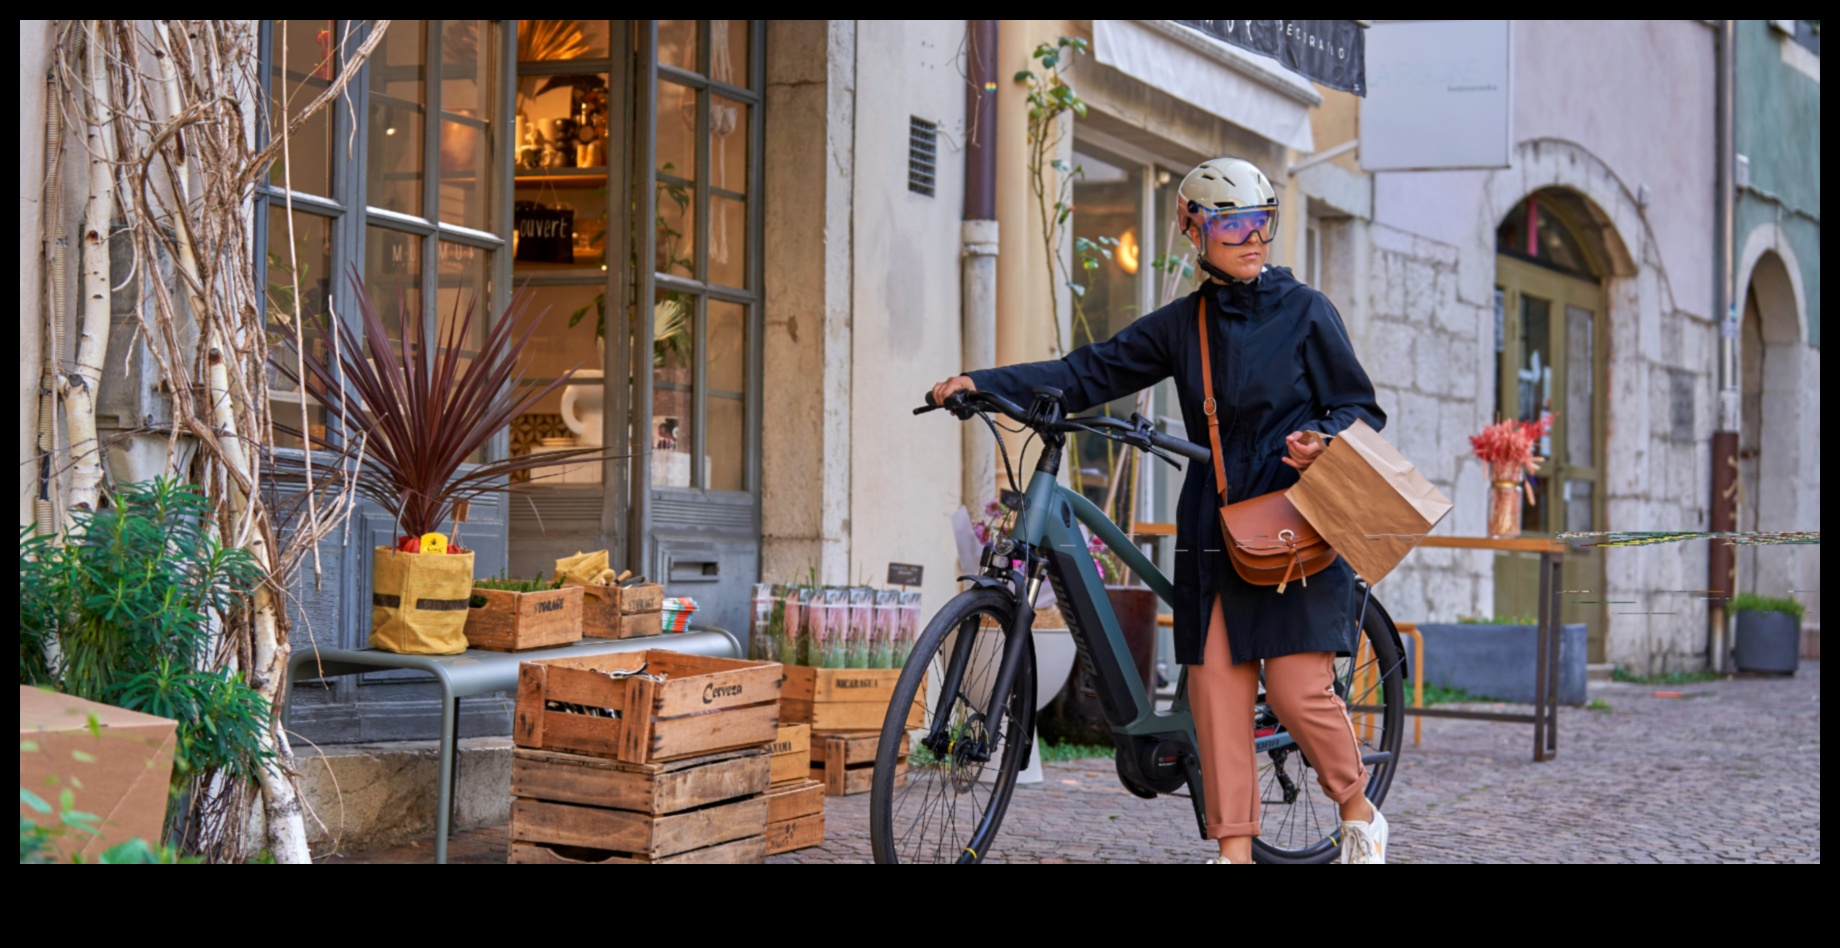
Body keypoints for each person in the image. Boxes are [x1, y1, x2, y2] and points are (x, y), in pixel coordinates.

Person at [930, 158, 1388, 864]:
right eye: (1233, 222)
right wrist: (983, 385)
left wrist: (1322, 438)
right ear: (1194, 228)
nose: (1252, 237)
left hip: (1293, 525)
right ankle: (1233, 854)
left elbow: (1360, 407)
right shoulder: (1184, 324)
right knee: (1216, 703)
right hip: (1213, 531)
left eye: (1261, 220)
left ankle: (1357, 806)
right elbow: (1089, 372)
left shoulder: (1307, 312)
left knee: (1299, 695)